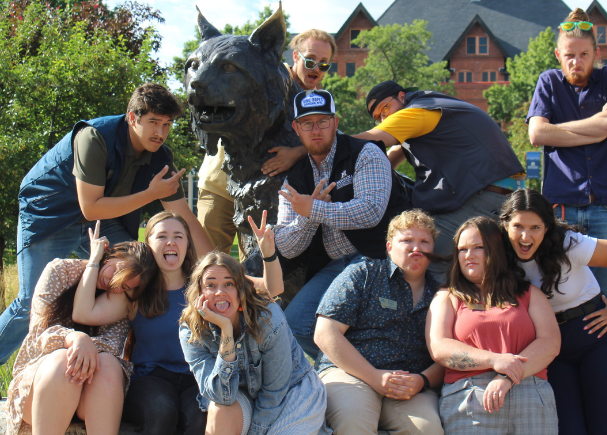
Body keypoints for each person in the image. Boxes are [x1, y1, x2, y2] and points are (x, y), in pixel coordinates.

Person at [4, 82, 210, 364]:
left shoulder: (160, 157)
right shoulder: (94, 137)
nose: (160, 133)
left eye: (167, 125)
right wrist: (151, 194)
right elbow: (90, 207)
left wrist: (219, 265)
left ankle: (118, 361)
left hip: (103, 218)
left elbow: (184, 216)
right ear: (132, 117)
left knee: (140, 274)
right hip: (51, 212)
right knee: (31, 302)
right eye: (153, 123)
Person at [276, 89, 409, 357]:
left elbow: (370, 210)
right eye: (307, 123)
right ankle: (352, 369)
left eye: (323, 122)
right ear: (296, 129)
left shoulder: (366, 152)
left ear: (335, 123)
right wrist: (309, 216)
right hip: (335, 265)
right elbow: (285, 245)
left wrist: (313, 208)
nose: (316, 130)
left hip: (378, 256)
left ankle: (363, 371)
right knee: (295, 325)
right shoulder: (294, 178)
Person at [499, 189, 607, 435]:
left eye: (535, 227)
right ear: (505, 225)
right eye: (518, 226)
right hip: (553, 350)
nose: (525, 236)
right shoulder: (497, 251)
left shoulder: (567, 243)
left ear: (546, 228)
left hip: (598, 338)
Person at [355, 80, 526, 281]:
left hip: (484, 197)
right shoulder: (432, 106)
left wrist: (319, 140)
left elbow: (367, 141)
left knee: (424, 260)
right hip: (497, 196)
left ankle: (436, 312)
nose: (385, 117)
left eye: (385, 108)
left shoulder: (418, 111)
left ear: (401, 96)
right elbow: (393, 155)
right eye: (379, 117)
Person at [180, 212, 331, 435]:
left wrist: (256, 432)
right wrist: (226, 333)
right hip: (240, 394)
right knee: (221, 410)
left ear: (240, 289)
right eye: (210, 285)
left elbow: (275, 391)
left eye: (228, 284)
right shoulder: (191, 330)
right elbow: (222, 395)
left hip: (290, 391)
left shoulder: (268, 317)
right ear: (199, 292)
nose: (220, 292)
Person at [526, 8, 607, 305]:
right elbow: (537, 134)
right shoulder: (548, 82)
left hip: (606, 206)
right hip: (562, 208)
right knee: (558, 295)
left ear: (596, 53)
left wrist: (558, 130)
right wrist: (596, 128)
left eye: (584, 54)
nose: (577, 61)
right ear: (558, 55)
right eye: (570, 55)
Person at [197, 30, 338, 255]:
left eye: (324, 64)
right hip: (219, 185)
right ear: (295, 56)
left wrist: (297, 152)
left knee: (253, 271)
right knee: (206, 262)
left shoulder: (319, 102)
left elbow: (330, 143)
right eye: (310, 60)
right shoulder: (260, 72)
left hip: (262, 198)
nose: (316, 69)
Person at [71, 212, 213, 434]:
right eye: (161, 236)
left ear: (187, 244)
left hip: (196, 378)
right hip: (150, 378)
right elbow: (83, 313)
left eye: (178, 236)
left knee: (198, 416)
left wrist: (269, 257)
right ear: (148, 245)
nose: (170, 242)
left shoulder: (206, 286)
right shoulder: (135, 291)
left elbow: (262, 288)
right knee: (161, 409)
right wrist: (94, 261)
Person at [4, 233, 158, 435]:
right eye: (117, 272)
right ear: (111, 254)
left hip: (91, 393)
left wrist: (85, 345)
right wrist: (75, 338)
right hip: (42, 386)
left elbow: (111, 347)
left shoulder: (123, 301)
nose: (114, 284)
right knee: (62, 360)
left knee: (110, 365)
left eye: (125, 286)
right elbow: (38, 336)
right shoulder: (60, 271)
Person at [313, 210, 444, 434]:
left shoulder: (441, 294)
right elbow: (325, 333)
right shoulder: (362, 274)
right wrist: (374, 376)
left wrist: (422, 380)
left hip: (410, 386)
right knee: (354, 423)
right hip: (351, 373)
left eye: (424, 241)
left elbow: (448, 354)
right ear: (390, 246)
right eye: (407, 240)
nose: (417, 248)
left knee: (427, 430)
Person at [427, 216, 560, 434]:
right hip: (470, 397)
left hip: (529, 392)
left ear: (495, 250)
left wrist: (508, 376)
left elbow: (550, 343)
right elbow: (439, 347)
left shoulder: (529, 294)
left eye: (478, 247)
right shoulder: (447, 297)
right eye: (462, 249)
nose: (468, 255)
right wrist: (495, 360)